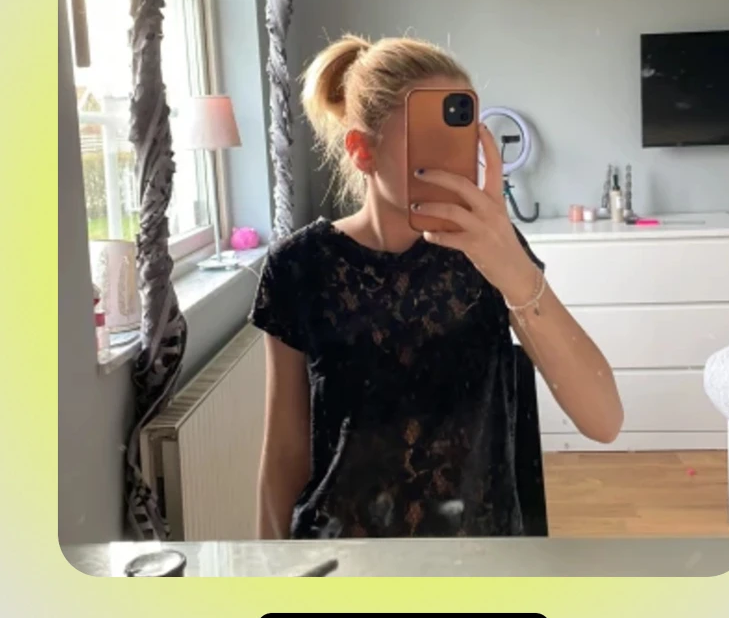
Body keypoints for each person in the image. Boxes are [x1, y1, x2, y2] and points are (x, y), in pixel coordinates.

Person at [252, 35, 623, 539]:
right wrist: (272, 576)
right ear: (362, 150)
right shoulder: (298, 266)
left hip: (478, 560)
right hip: (343, 560)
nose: (452, 160)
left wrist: (512, 268)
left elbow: (604, 421)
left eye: (462, 138)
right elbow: (284, 454)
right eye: (431, 139)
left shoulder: (491, 251)